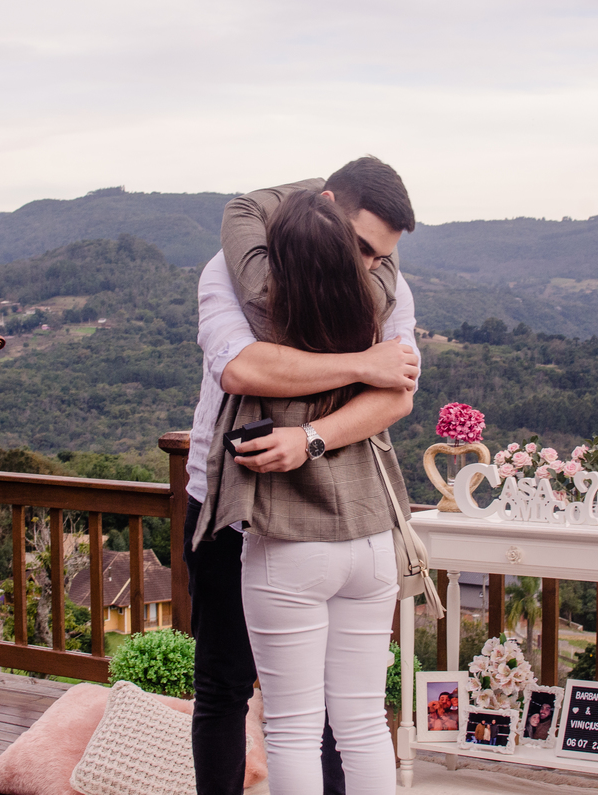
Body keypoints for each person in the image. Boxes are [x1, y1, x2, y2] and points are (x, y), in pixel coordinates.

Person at [182, 157, 418, 795]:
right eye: (363, 247)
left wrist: (309, 438)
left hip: (334, 514)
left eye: (382, 256)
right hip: (229, 505)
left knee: (322, 718)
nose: (371, 267)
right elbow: (241, 367)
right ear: (328, 206)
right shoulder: (231, 269)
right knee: (225, 684)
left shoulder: (385, 280)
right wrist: (362, 362)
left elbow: (398, 393)